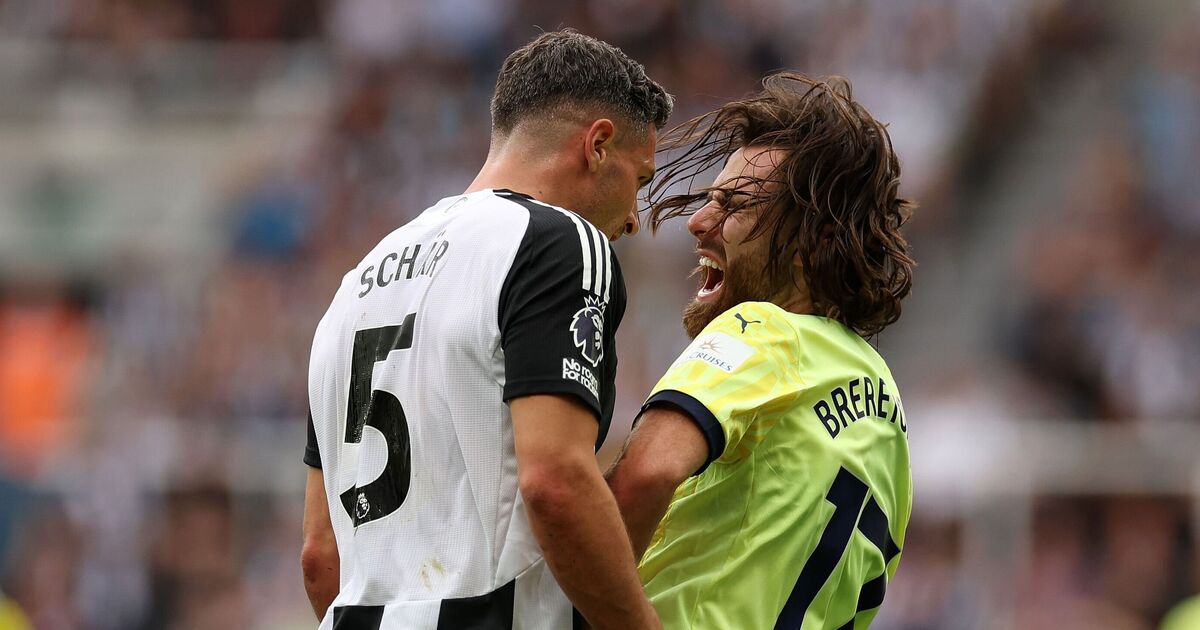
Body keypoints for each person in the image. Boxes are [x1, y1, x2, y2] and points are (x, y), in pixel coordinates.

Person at [301, 30, 672, 629]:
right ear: (598, 145)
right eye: (641, 179)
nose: (633, 217)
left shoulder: (354, 287)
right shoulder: (558, 241)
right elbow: (554, 481)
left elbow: (321, 556)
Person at [605, 72, 915, 629]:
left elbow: (646, 474)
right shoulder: (888, 412)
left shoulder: (764, 331)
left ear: (813, 240)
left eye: (734, 205)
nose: (699, 222)